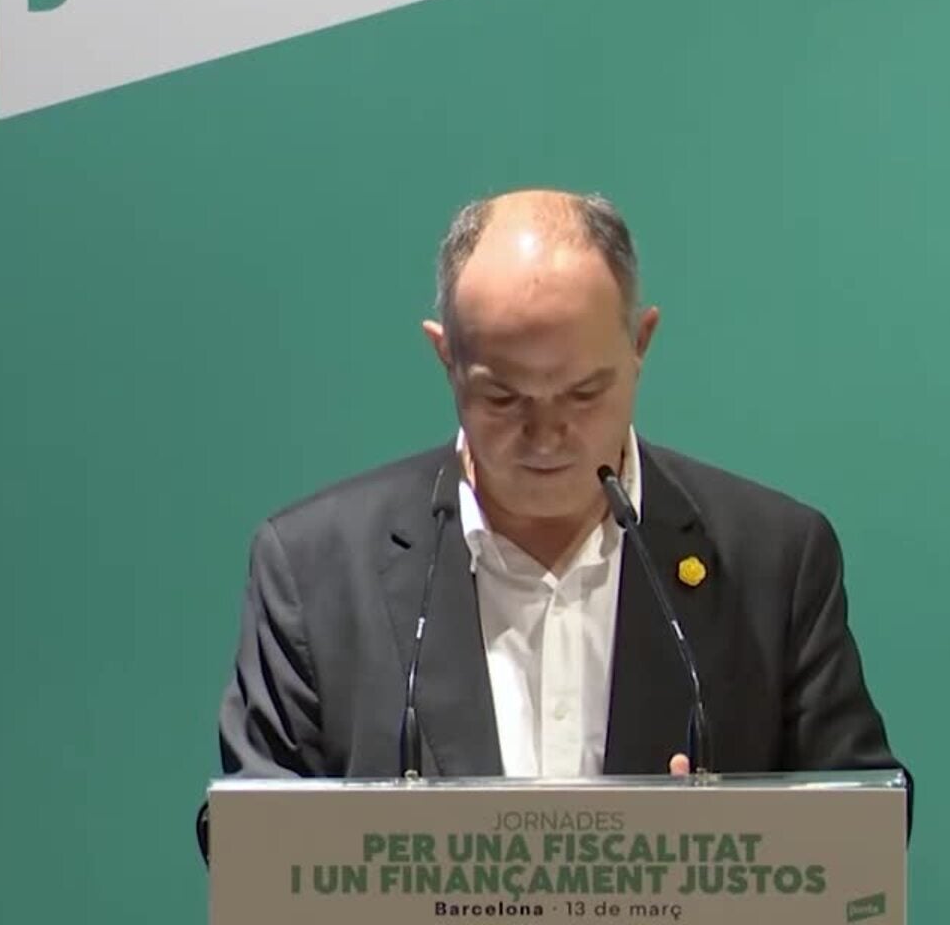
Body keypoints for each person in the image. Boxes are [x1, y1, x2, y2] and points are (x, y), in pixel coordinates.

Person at [201, 189, 906, 860]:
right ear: (447, 358)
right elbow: (250, 843)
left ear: (641, 344)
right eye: (502, 397)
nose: (546, 437)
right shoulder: (315, 569)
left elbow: (864, 823)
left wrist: (732, 845)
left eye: (584, 393)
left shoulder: (773, 560)